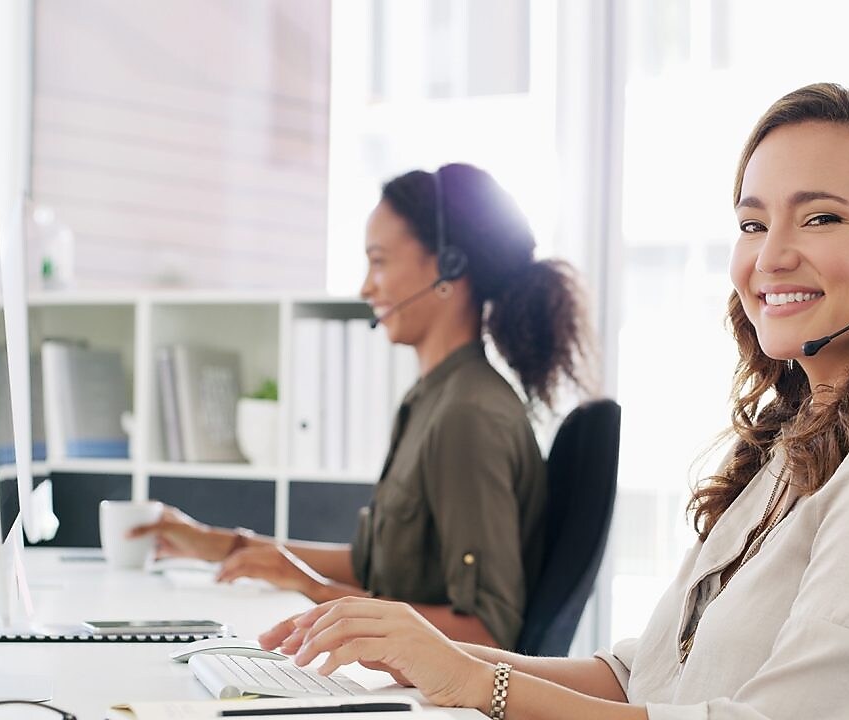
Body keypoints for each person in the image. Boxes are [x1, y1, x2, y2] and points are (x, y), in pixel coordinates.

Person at [255, 83, 849, 719]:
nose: (770, 254)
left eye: (821, 217)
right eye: (753, 223)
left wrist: (476, 683)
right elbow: (639, 678)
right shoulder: (802, 444)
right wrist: (431, 656)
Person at [131, 163, 596, 650]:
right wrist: (225, 545)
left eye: (378, 262)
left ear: (448, 268)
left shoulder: (468, 416)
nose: (365, 288)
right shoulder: (431, 398)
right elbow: (372, 566)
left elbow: (486, 632)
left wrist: (316, 591)